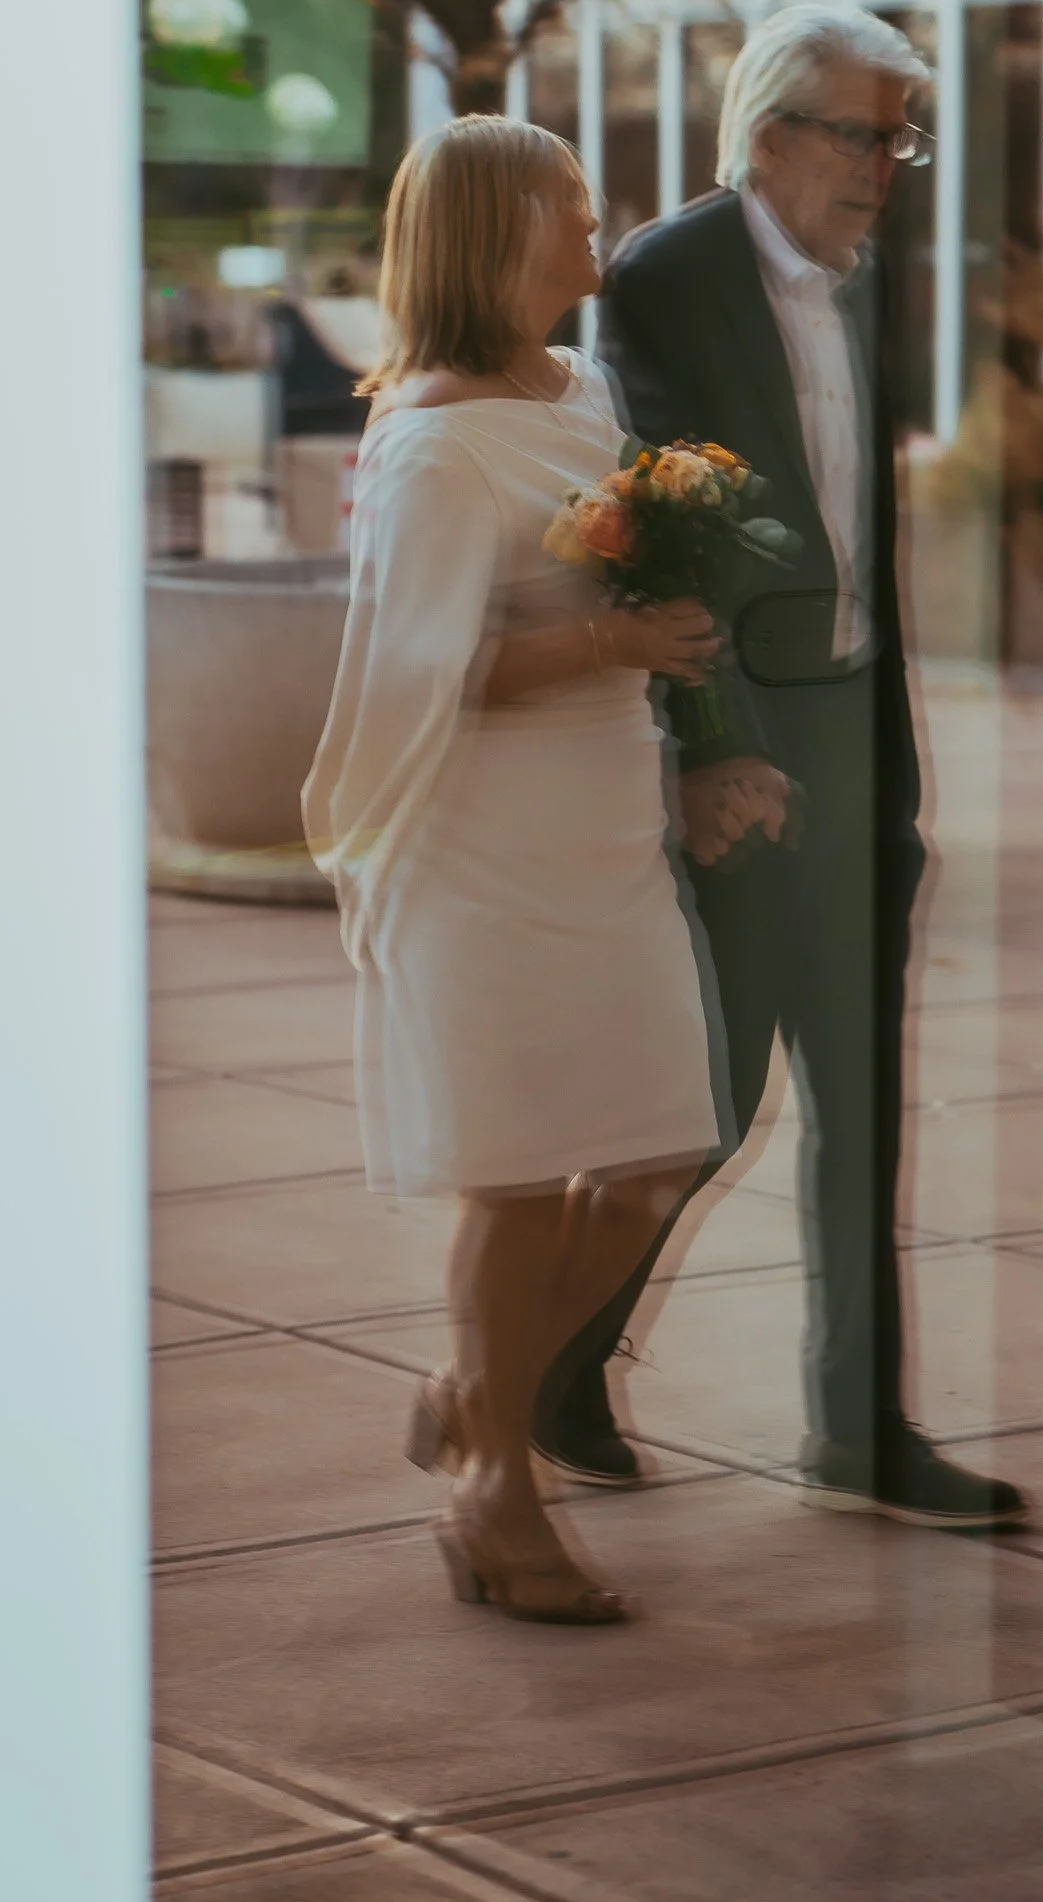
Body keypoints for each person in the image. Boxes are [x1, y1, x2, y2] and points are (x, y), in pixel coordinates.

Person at [532, 7, 1027, 1531]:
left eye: (900, 138)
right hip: (741, 736)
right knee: (714, 1094)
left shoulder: (866, 283)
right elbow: (658, 533)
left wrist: (889, 769)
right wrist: (714, 752)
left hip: (858, 735)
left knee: (860, 1103)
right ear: (768, 135)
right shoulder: (669, 277)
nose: (887, 165)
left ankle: (859, 1429)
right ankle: (546, 1367)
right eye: (864, 134)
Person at [303, 116, 750, 1623]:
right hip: (483, 854)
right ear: (498, 236)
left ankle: (471, 1392)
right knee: (511, 1183)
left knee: (653, 1159)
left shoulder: (584, 386)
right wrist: (613, 640)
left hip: (607, 830)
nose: (593, 224)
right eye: (568, 205)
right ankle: (497, 1493)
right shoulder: (429, 443)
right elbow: (422, 676)